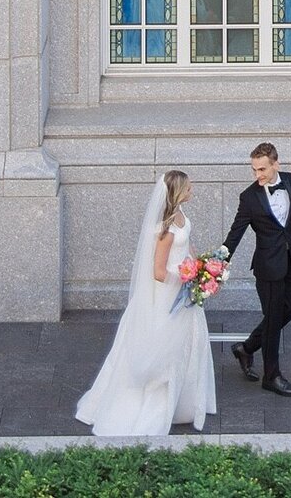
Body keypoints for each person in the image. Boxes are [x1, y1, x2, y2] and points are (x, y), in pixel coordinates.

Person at [75, 169, 217, 437]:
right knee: (164, 349)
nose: (192, 189)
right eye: (188, 187)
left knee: (190, 344)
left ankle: (184, 403)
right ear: (177, 192)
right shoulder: (164, 231)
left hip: (186, 289)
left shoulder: (182, 217)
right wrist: (185, 276)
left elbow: (188, 247)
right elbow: (159, 272)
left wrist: (203, 269)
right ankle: (154, 406)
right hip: (168, 296)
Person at [222, 141, 291, 396]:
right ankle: (272, 376)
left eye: (262, 170)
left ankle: (246, 349)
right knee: (272, 321)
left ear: (276, 164)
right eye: (255, 170)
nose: (258, 175)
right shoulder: (249, 197)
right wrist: (219, 261)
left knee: (287, 312)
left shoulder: (290, 180)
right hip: (268, 267)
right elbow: (235, 233)